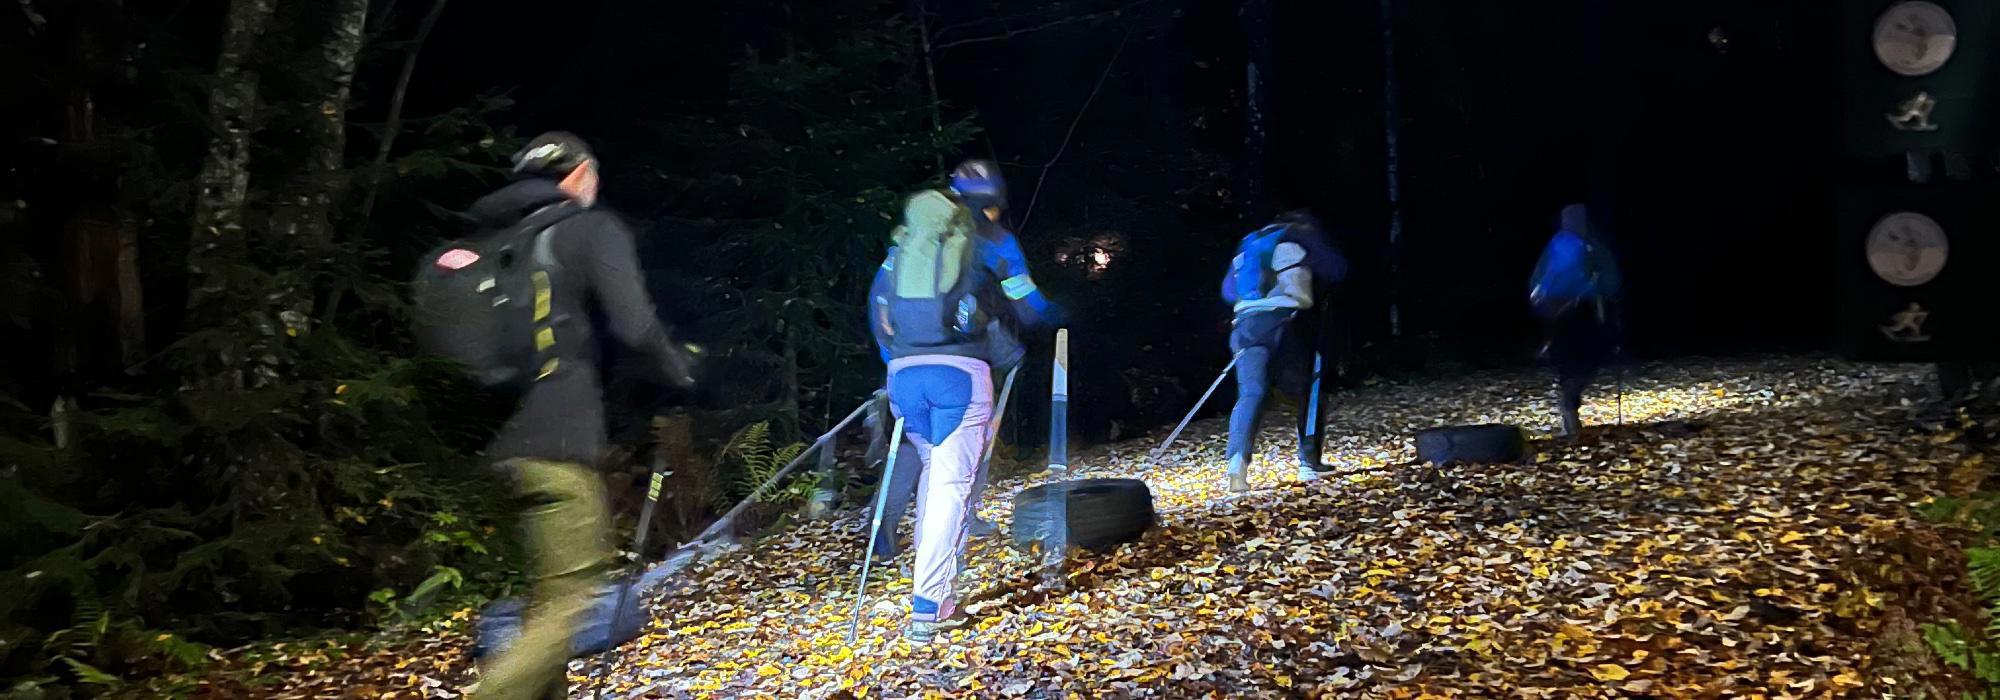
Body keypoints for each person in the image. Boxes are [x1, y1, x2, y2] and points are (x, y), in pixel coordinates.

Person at [470, 132, 697, 700]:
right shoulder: (588, 228)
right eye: (593, 173)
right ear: (577, 173)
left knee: (546, 605)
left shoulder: (499, 242)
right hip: (556, 445)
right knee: (571, 606)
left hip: (493, 453)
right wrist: (682, 372)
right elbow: (635, 326)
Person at [868, 188, 1041, 642]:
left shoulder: (897, 256)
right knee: (950, 488)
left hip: (904, 379)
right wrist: (1013, 352)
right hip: (958, 379)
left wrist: (899, 361)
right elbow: (1004, 311)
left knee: (934, 476)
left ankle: (938, 590)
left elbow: (878, 320)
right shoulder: (972, 249)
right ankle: (929, 604)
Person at [1219, 210, 1348, 495]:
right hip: (1287, 320)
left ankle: (1236, 464)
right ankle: (1309, 462)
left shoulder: (1249, 243)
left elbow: (1228, 291)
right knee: (1310, 389)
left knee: (1251, 392)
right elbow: (1336, 269)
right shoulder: (1301, 234)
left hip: (1245, 323)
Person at [1529, 203, 1622, 437]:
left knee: (1569, 360)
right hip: (1584, 307)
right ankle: (1570, 403)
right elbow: (1610, 278)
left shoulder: (1556, 244)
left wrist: (1539, 301)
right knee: (1588, 357)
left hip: (1556, 310)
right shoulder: (1592, 244)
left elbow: (1538, 278)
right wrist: (1609, 295)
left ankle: (1569, 403)